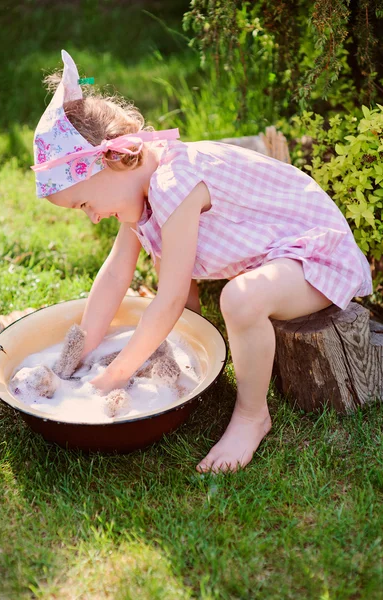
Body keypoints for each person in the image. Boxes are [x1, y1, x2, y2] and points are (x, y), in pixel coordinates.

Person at [31, 50, 373, 473]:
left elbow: (171, 298)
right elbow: (116, 273)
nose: (93, 215)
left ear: (112, 161)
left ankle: (252, 416)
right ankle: (196, 357)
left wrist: (117, 373)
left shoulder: (176, 183)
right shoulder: (138, 190)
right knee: (174, 274)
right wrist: (82, 346)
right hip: (276, 254)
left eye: (85, 202)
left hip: (316, 253)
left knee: (240, 300)